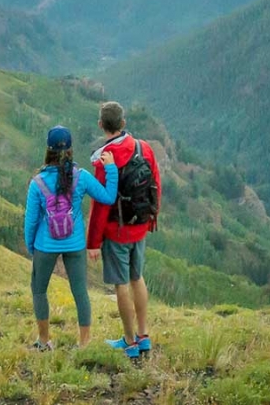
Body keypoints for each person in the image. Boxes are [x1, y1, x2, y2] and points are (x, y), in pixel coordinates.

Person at [24, 125, 117, 350]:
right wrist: (111, 169)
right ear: (71, 149)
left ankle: (43, 341)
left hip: (45, 245)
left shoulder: (38, 183)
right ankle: (84, 343)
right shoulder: (81, 177)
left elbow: (31, 220)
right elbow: (108, 197)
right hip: (75, 244)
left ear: (48, 150)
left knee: (39, 290)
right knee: (80, 292)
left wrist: (31, 247)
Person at [87, 102, 161, 359]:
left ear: (101, 125)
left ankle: (129, 342)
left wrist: (93, 242)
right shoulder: (145, 148)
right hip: (140, 226)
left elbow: (100, 203)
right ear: (123, 123)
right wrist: (152, 219)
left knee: (120, 285)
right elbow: (155, 185)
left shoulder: (106, 159)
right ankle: (143, 335)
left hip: (116, 231)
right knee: (136, 278)